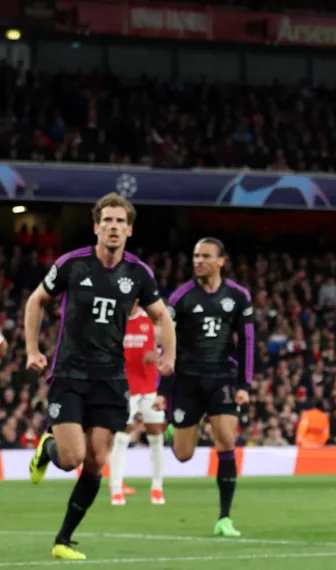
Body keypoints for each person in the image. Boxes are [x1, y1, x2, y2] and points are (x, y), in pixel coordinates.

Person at [26, 193, 175, 561]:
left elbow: (161, 317)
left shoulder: (139, 273)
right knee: (72, 457)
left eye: (120, 221)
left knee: (96, 460)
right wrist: (32, 350)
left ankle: (63, 540)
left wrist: (168, 354)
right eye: (106, 220)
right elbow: (35, 301)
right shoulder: (72, 264)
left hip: (111, 380)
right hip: (70, 373)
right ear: (96, 226)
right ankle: (48, 448)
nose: (113, 226)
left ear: (129, 229)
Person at [158, 237, 255, 537]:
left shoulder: (238, 297)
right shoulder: (180, 298)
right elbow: (167, 345)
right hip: (187, 380)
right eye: (196, 255)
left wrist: (244, 383)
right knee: (183, 454)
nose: (198, 260)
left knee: (226, 440)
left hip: (222, 378)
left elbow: (247, 341)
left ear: (221, 261)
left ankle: (224, 518)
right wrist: (163, 390)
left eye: (205, 256)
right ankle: (177, 429)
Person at [108, 300, 167, 506]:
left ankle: (157, 488)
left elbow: (167, 346)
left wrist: (157, 355)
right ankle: (116, 489)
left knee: (156, 437)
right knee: (122, 436)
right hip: (125, 389)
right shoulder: (115, 320)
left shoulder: (150, 320)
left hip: (150, 388)